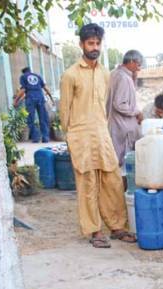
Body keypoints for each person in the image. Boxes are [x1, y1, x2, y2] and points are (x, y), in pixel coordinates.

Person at [59, 23, 135, 248]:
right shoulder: (70, 75)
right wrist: (70, 138)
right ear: (81, 44)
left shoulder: (105, 73)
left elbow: (106, 107)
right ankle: (94, 231)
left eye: (97, 43)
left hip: (102, 135)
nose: (94, 47)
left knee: (112, 180)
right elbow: (64, 112)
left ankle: (117, 226)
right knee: (88, 184)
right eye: (90, 43)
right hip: (80, 137)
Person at [106, 49, 143, 190]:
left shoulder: (117, 74)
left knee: (118, 163)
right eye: (138, 65)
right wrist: (137, 112)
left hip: (118, 126)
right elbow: (119, 103)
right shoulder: (123, 78)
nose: (139, 69)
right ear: (132, 62)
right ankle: (119, 195)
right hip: (122, 128)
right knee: (122, 165)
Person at [14, 67, 54, 143]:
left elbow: (23, 90)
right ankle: (45, 138)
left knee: (30, 119)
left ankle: (36, 138)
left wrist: (16, 101)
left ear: (23, 72)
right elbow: (45, 88)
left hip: (30, 99)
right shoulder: (38, 76)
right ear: (30, 71)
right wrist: (51, 98)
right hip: (40, 98)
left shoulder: (23, 77)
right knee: (43, 118)